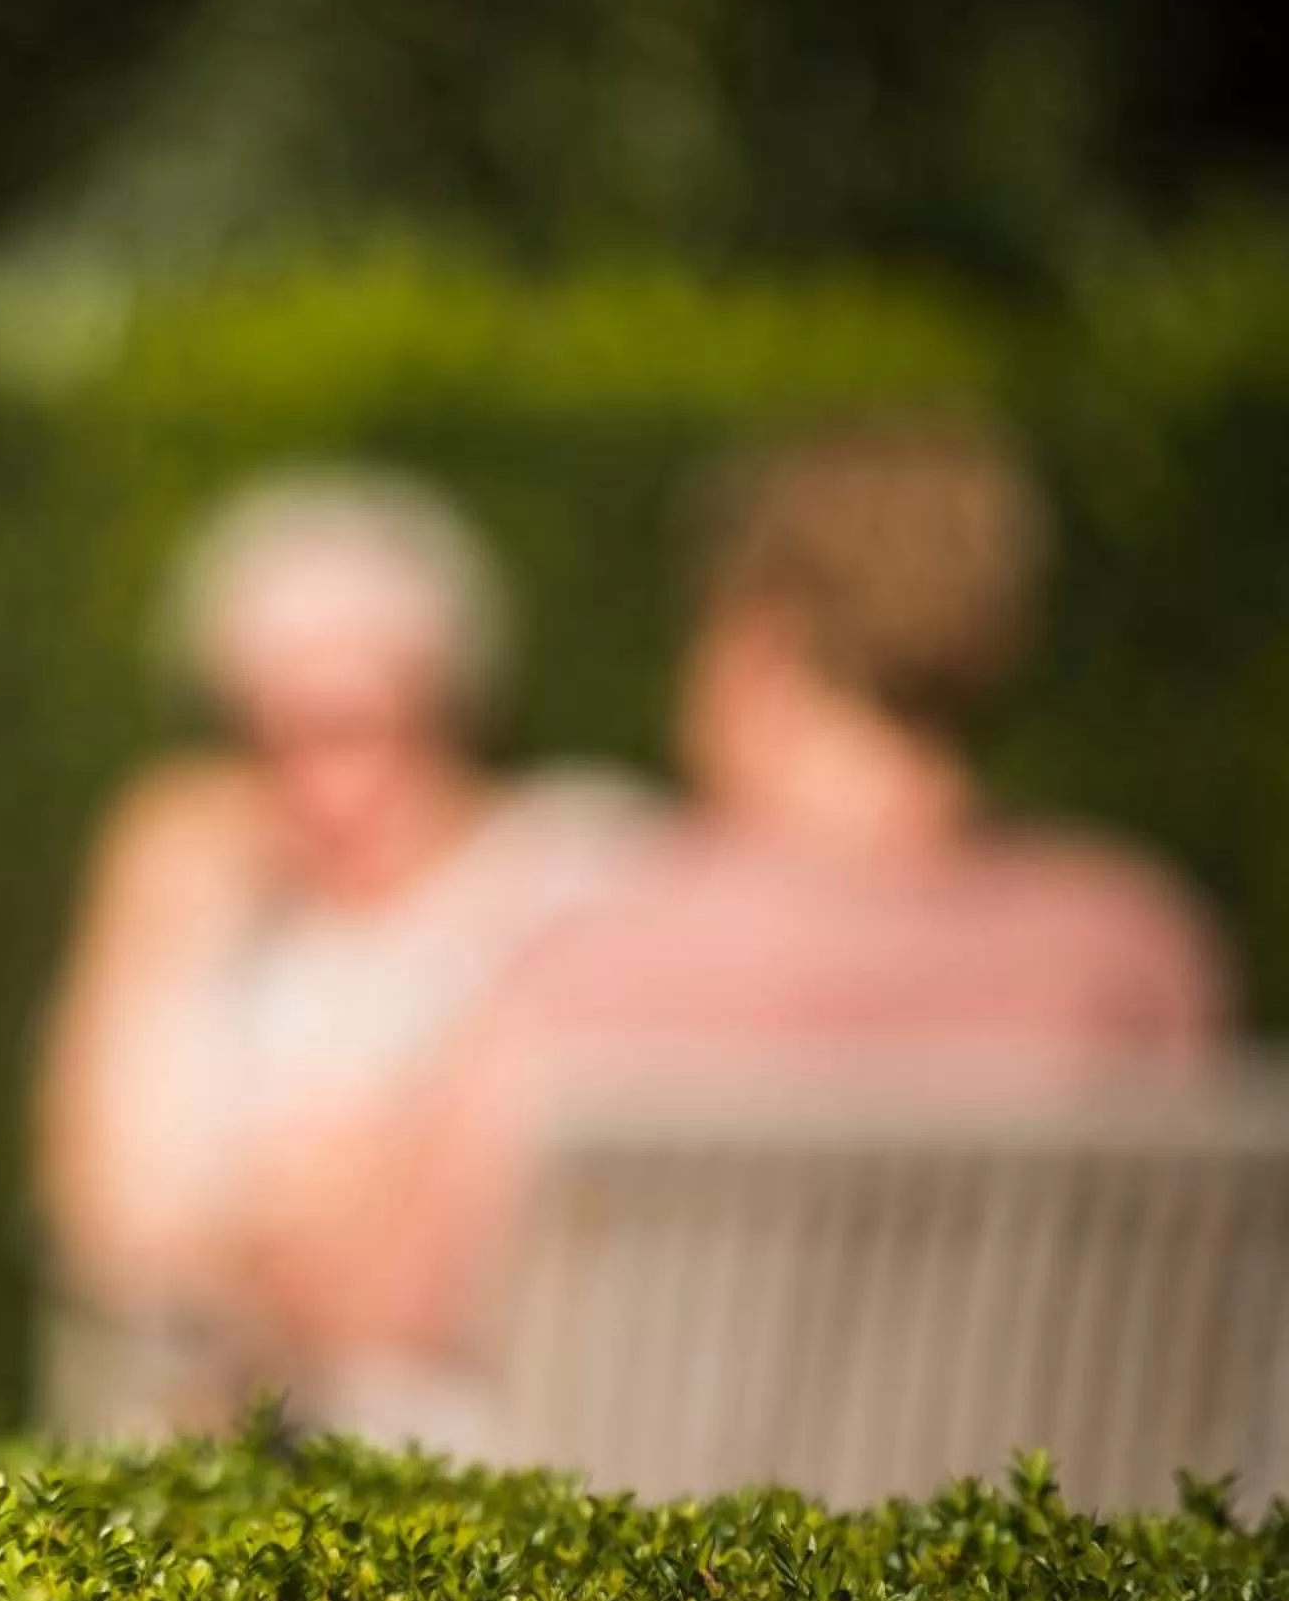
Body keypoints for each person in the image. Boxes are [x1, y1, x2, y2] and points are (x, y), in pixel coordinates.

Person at [249, 418, 1234, 1392]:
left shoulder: (612, 962)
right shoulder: (1138, 948)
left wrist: (281, 1239)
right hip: (1045, 1542)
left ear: (761, 642)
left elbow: (383, 1305)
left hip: (692, 1547)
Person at [35, 472, 651, 1439]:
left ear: (452, 709)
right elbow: (109, 1226)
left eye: (354, 729)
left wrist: (304, 1229)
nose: (321, 788)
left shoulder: (569, 869)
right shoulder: (211, 891)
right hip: (259, 1430)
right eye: (268, 738)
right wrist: (151, 910)